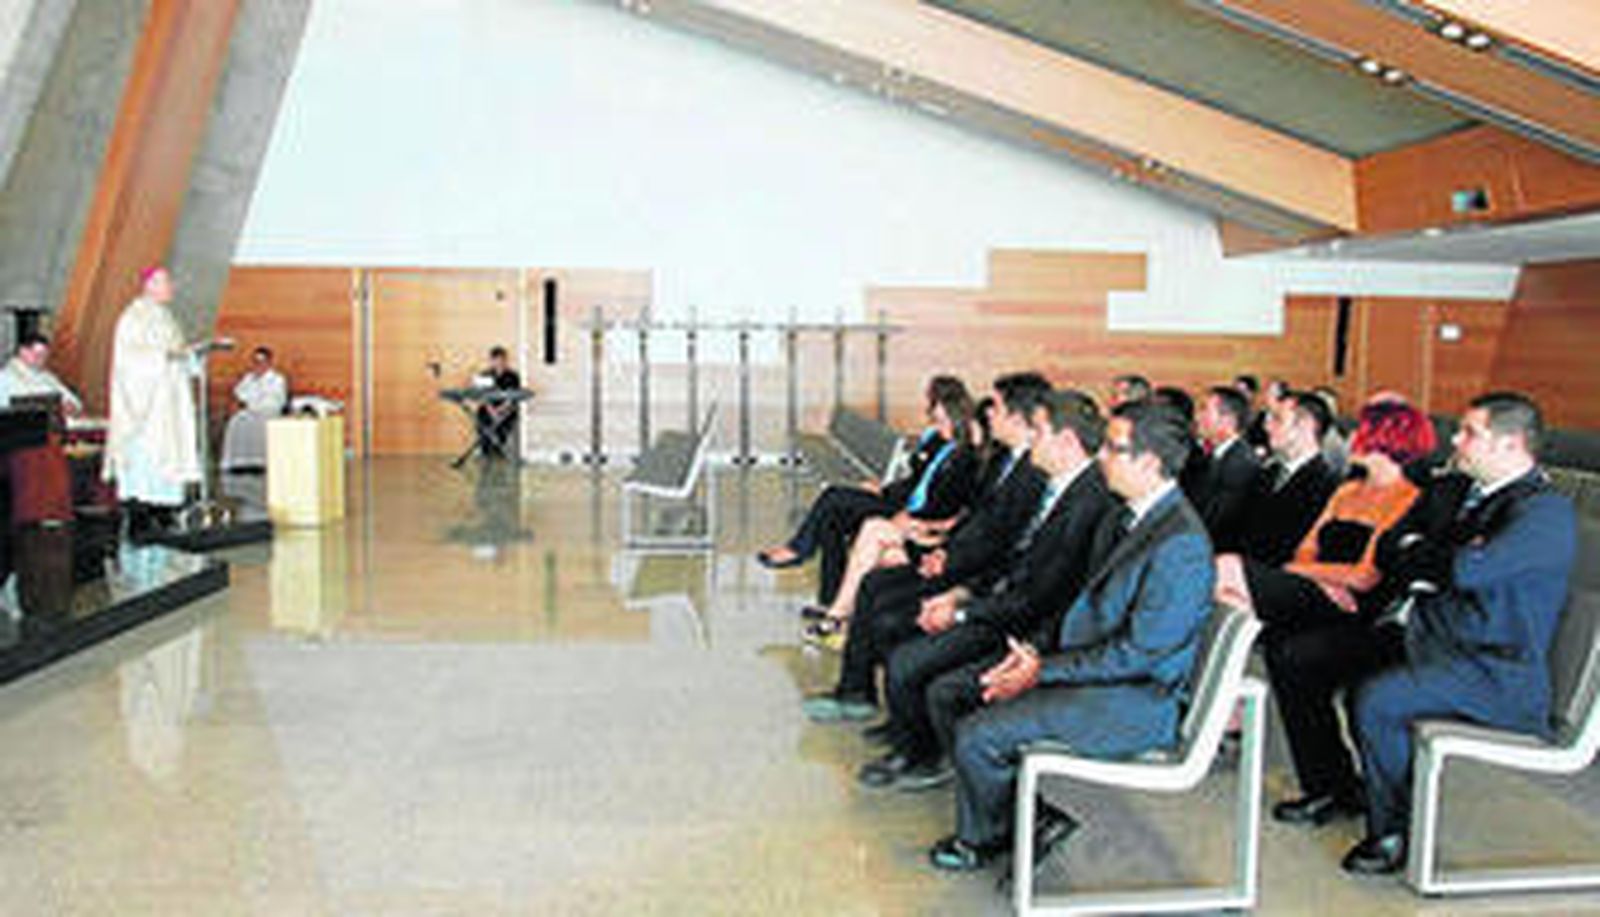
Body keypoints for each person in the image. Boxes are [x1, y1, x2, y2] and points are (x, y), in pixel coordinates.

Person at [927, 401, 1214, 872]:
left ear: (1149, 463)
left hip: (1137, 700)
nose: (1100, 456)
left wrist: (1043, 670)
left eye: (1113, 448)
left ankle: (987, 837)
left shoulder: (1179, 543)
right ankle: (1030, 819)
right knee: (952, 692)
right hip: (1094, 670)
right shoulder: (1125, 515)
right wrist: (1033, 654)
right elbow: (1079, 609)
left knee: (979, 734)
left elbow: (1140, 654)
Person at [1337, 393, 1577, 874]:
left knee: (1378, 698)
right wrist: (1427, 555)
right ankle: (1366, 790)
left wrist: (1426, 554)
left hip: (1498, 673)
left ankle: (1391, 834)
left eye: (1470, 433)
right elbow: (1397, 551)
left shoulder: (1543, 512)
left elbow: (1465, 571)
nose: (1455, 440)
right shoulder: (1477, 496)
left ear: (1510, 445)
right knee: (1331, 660)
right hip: (1449, 643)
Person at [855, 389, 1113, 790]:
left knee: (913, 660)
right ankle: (914, 743)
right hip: (1004, 602)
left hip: (1027, 625)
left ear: (1066, 443)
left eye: (1039, 432)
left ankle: (924, 757)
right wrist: (962, 591)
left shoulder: (1089, 500)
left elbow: (1043, 595)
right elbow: (1010, 555)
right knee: (903, 637)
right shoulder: (1057, 486)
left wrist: (963, 610)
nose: (1031, 441)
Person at [798, 374, 1051, 719]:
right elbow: (976, 519)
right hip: (955, 556)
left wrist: (948, 565)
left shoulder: (1030, 472)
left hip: (971, 574)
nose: (988, 414)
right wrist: (940, 543)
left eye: (997, 409)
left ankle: (851, 659)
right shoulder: (1007, 461)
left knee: (882, 591)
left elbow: (1001, 543)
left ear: (1019, 419)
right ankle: (856, 689)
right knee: (873, 577)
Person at [757, 376, 979, 610]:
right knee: (833, 519)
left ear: (958, 419)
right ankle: (829, 599)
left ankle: (799, 550)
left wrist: (920, 521)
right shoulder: (936, 441)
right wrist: (883, 489)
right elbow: (914, 481)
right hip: (900, 503)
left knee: (834, 498)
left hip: (914, 515)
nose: (939, 426)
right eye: (937, 419)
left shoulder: (964, 457)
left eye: (944, 421)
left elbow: (950, 504)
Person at [1214, 398, 1434, 634]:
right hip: (1314, 588)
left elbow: (1365, 575)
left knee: (1225, 569)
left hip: (1349, 602)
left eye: (1360, 431)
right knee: (1224, 592)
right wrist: (1317, 580)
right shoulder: (1346, 490)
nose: (1350, 438)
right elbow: (1304, 551)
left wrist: (1309, 575)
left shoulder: (1408, 498)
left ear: (1386, 441)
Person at [104, 266, 202, 538]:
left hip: (168, 400)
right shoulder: (133, 317)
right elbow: (129, 360)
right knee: (148, 454)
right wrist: (163, 358)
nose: (171, 287)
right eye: (165, 282)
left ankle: (165, 509)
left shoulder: (166, 318)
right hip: (146, 407)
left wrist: (190, 357)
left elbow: (177, 351)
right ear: (149, 285)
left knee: (170, 450)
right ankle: (142, 512)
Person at [1236, 389, 1342, 568]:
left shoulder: (1328, 487)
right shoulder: (1265, 474)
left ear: (1306, 426)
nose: (1266, 427)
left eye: (1277, 419)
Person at [1189, 385, 1261, 552]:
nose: (1197, 418)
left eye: (1204, 410)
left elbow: (1215, 523)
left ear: (1227, 420)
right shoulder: (1212, 456)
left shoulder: (1241, 464)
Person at [219, 346, 287, 472]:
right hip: (248, 411)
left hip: (267, 411)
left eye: (262, 361)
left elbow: (277, 400)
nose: (259, 365)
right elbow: (239, 393)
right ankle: (239, 462)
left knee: (258, 423)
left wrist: (253, 405)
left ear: (269, 362)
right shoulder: (249, 378)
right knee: (236, 421)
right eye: (256, 361)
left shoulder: (277, 379)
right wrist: (240, 404)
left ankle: (262, 462)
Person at [0, 333, 83, 415]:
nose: (39, 359)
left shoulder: (48, 377)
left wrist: (71, 406)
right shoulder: (4, 377)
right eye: (36, 353)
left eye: (43, 355)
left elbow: (75, 402)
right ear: (22, 351)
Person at [475, 346, 522, 459]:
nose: (499, 362)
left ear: (506, 360)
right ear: (491, 360)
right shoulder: (484, 375)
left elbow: (512, 397)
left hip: (506, 408)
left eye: (502, 359)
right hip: (488, 408)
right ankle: (485, 449)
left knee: (506, 420)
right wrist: (491, 410)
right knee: (481, 417)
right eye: (496, 360)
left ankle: (498, 447)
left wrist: (501, 409)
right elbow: (483, 396)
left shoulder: (513, 376)